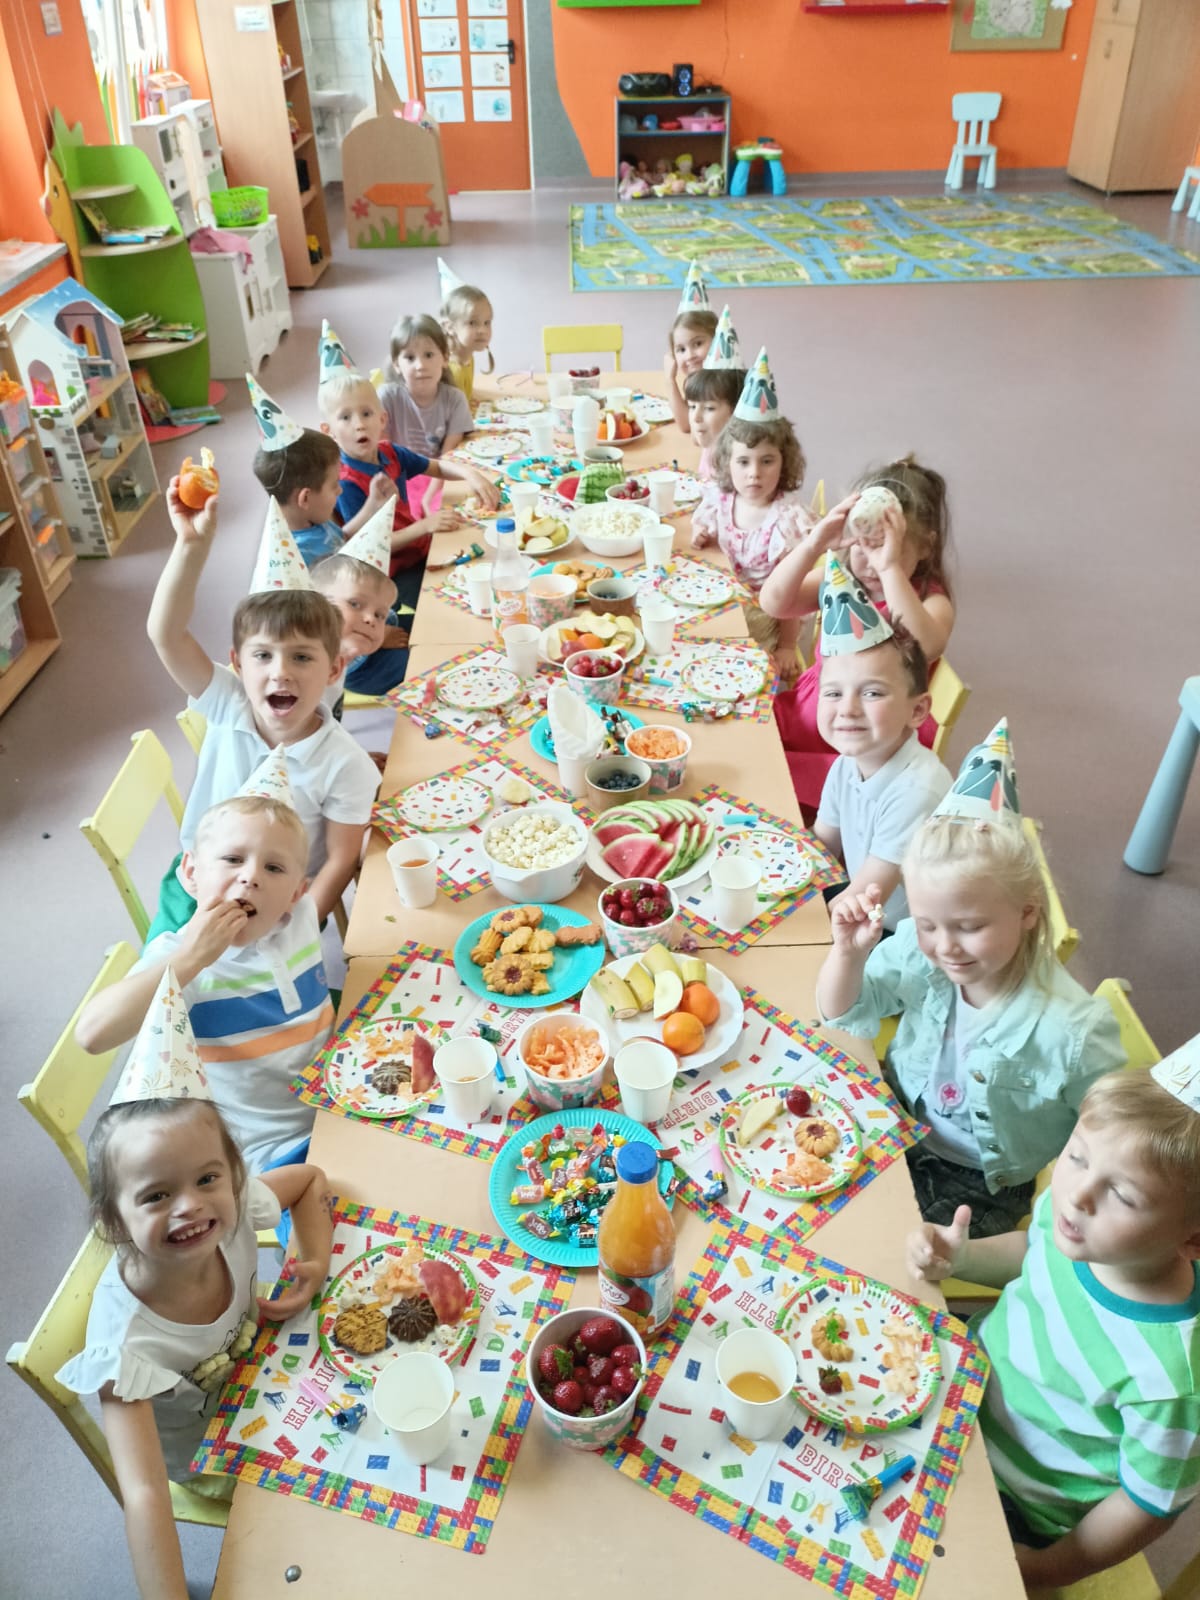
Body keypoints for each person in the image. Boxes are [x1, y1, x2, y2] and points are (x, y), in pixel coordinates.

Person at [58, 983, 331, 1600]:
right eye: (157, 1195)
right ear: (112, 1222)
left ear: (232, 1175)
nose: (191, 1207)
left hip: (273, 1377)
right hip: (215, 1456)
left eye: (207, 1179)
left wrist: (312, 1260)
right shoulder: (126, 1350)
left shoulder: (230, 1211)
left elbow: (310, 1179)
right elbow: (145, 1496)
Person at [817, 724, 1126, 1238]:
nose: (946, 947)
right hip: (897, 1117)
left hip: (977, 1186)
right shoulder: (919, 951)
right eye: (928, 924)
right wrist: (847, 954)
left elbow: (1113, 1138)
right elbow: (843, 1013)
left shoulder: (1074, 1031)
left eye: (970, 927)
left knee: (876, 1244)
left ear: (1027, 912)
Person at [907, 1059, 1200, 1591]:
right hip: (959, 1383)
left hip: (1012, 1499)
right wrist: (961, 1259)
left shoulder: (1172, 1382)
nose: (1078, 1195)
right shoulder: (1076, 1222)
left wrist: (1048, 1569)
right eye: (1077, 1156)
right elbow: (1031, 1251)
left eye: (1123, 1195)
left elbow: (1146, 1505)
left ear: (1194, 1239)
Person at [145, 484, 379, 937]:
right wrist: (191, 547)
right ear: (237, 663)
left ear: (334, 669)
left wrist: (296, 934)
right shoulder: (229, 702)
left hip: (279, 908)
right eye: (263, 656)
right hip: (195, 887)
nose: (280, 672)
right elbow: (165, 634)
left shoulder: (345, 763)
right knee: (166, 980)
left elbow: (340, 860)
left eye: (302, 657)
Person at [76, 769, 331, 1172]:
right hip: (272, 1151)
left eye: (274, 868)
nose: (250, 877)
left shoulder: (300, 915)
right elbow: (92, 1034)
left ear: (297, 893)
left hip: (338, 1100)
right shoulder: (180, 961)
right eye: (232, 859)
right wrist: (190, 958)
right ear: (192, 874)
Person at [762, 455, 955, 816]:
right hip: (814, 707)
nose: (869, 561)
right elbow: (774, 603)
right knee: (744, 738)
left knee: (768, 775)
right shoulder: (841, 576)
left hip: (866, 739)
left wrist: (890, 569)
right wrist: (813, 545)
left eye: (884, 546)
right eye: (860, 545)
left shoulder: (930, 601)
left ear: (925, 547)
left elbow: (926, 645)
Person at [808, 555, 951, 928]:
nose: (848, 709)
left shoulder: (917, 791)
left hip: (900, 935)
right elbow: (820, 847)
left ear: (917, 711)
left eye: (872, 693)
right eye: (833, 693)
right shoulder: (847, 763)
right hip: (862, 906)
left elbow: (864, 900)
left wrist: (785, 919)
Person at [689, 349, 809, 687]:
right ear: (726, 462)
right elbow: (703, 524)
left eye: (767, 461)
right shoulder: (722, 498)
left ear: (785, 462)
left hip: (764, 616)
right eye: (743, 462)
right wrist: (701, 531)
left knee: (726, 675)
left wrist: (787, 646)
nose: (754, 473)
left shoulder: (786, 520)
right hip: (725, 601)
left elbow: (792, 592)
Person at [247, 375, 379, 568]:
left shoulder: (313, 517)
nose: (340, 490)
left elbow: (340, 539)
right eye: (334, 485)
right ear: (305, 499)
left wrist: (372, 504)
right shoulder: (296, 558)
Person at [379, 312, 475, 519]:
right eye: (410, 358)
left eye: (429, 355)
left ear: (445, 358)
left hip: (441, 476)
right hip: (398, 479)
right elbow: (382, 455)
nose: (420, 365)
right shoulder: (387, 397)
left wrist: (429, 496)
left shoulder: (455, 399)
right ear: (396, 364)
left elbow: (449, 457)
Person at [312, 516, 410, 701]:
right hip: (364, 672)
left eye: (379, 614)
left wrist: (383, 627)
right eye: (354, 604)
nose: (371, 619)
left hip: (369, 646)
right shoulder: (304, 669)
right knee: (418, 664)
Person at [683, 308, 745, 479]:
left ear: (736, 411)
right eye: (692, 407)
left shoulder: (740, 468)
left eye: (709, 408)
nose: (696, 417)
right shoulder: (713, 443)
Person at [662, 265, 718, 434]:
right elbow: (687, 421)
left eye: (698, 344)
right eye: (681, 349)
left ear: (717, 340)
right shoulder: (695, 380)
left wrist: (670, 381)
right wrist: (670, 379)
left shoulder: (718, 384)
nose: (690, 356)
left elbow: (687, 425)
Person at [438, 259, 495, 404]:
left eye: (487, 322)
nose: (482, 330)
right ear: (449, 327)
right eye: (472, 323)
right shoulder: (451, 372)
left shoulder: (468, 359)